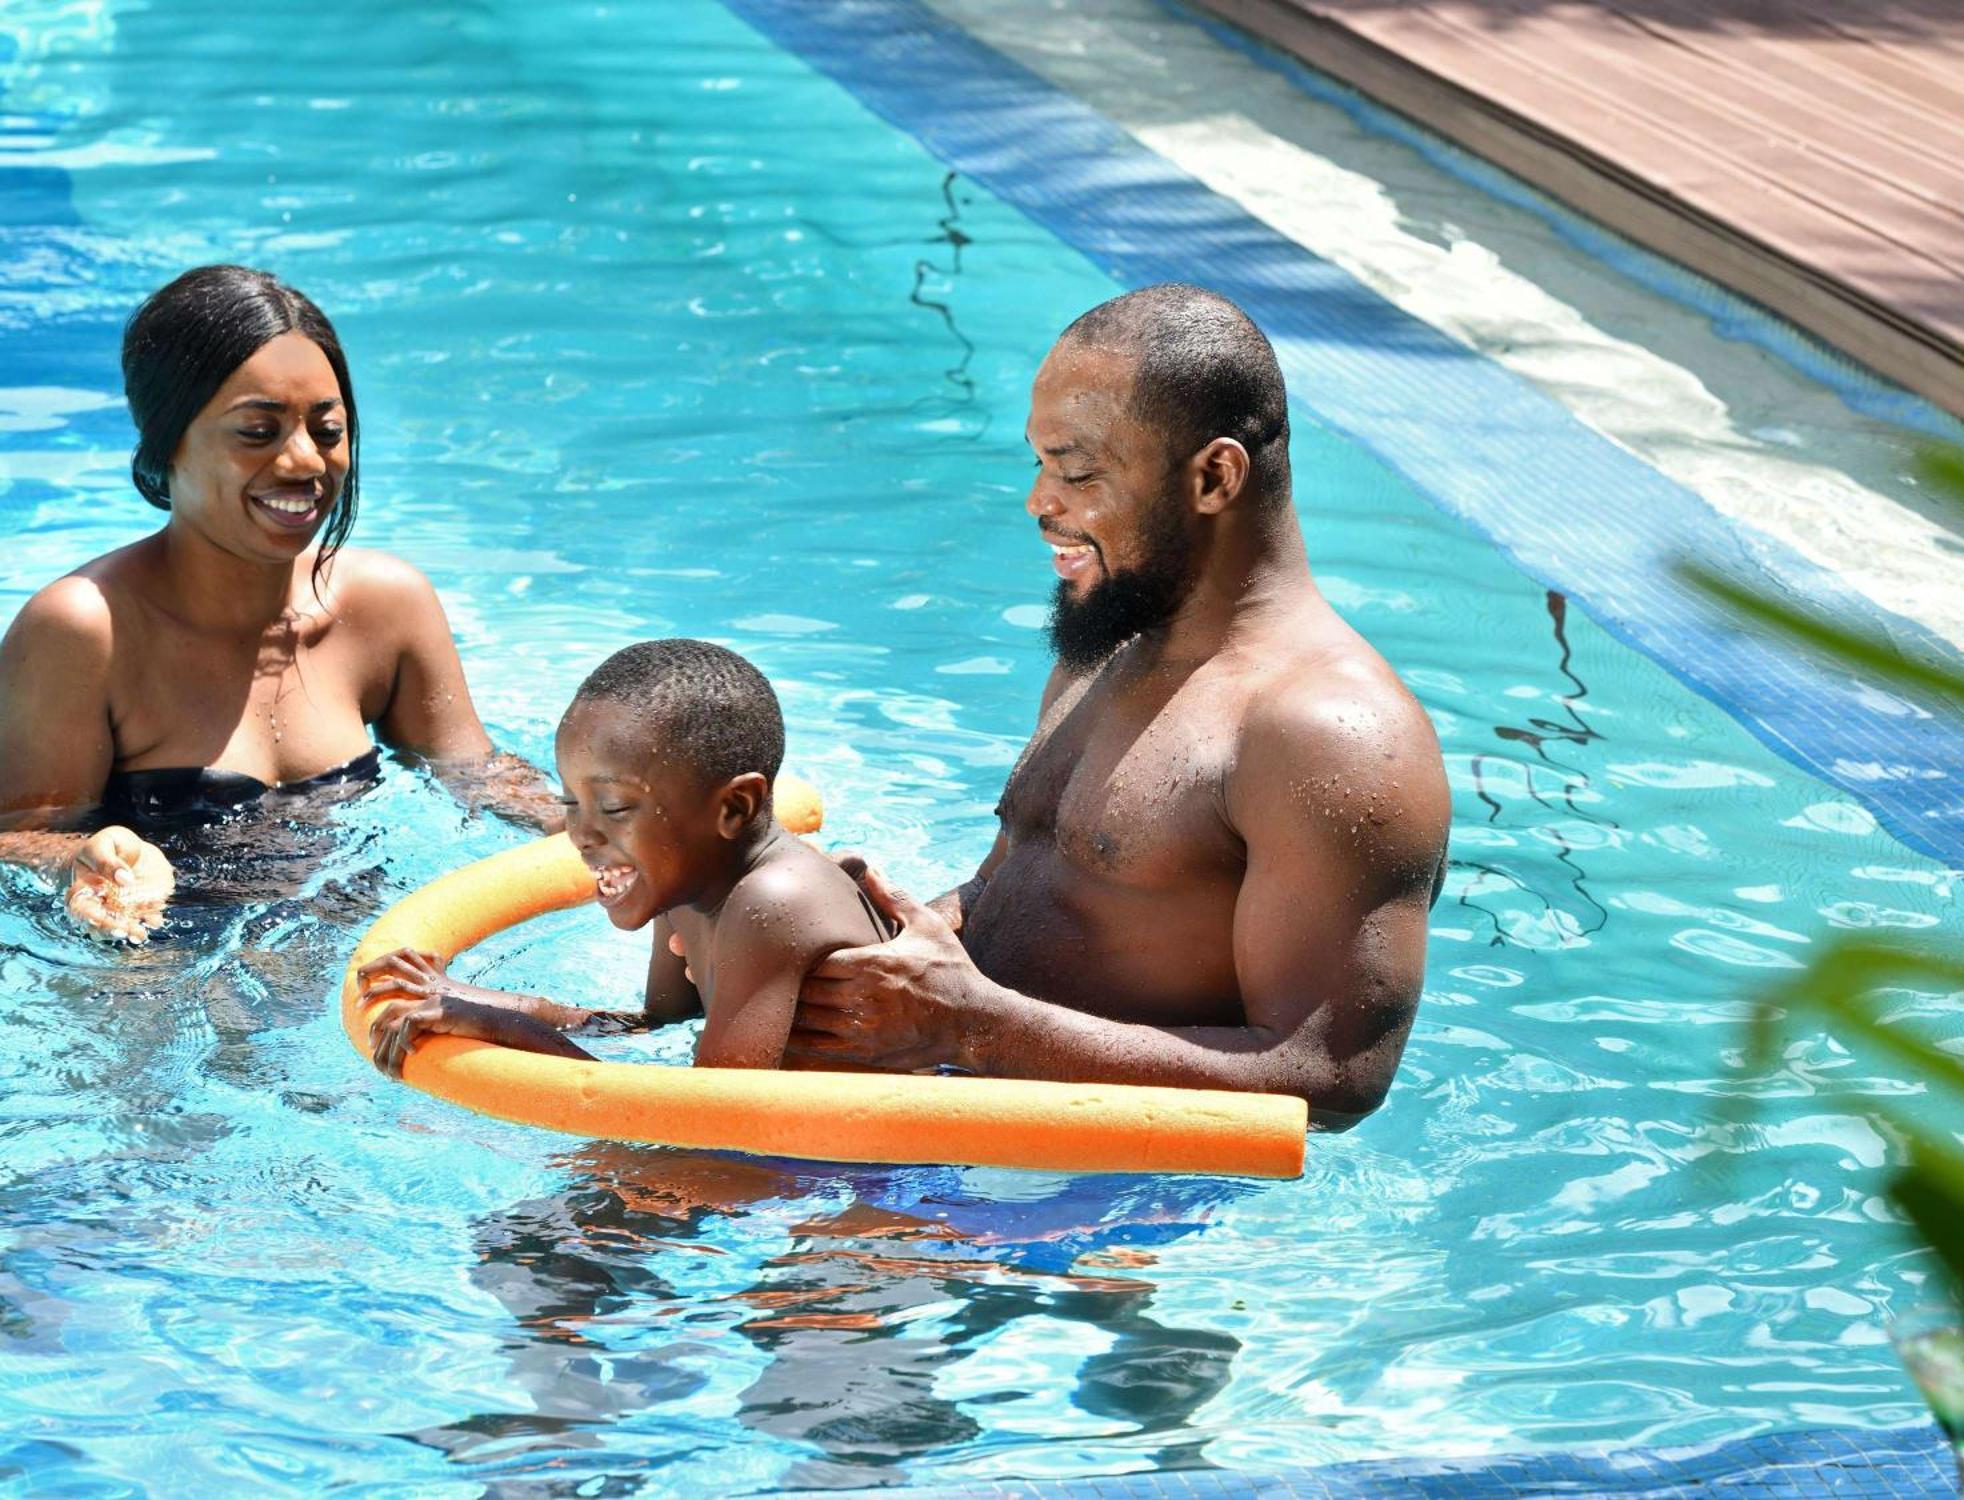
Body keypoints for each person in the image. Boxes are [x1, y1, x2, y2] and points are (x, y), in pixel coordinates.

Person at [789, 284, 1451, 1124]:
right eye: (1038, 464)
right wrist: (868, 936)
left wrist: (976, 1029)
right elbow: (1020, 886)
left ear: (1215, 476)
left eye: (1078, 471)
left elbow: (1331, 1077)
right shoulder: (1108, 638)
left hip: (1104, 1187)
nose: (1039, 501)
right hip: (959, 1101)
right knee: (597, 1214)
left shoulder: (1327, 733)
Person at [0, 265, 561, 941]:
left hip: (352, 953)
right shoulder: (88, 629)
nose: (305, 463)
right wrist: (76, 861)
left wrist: (617, 820)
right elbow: (15, 838)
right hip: (153, 978)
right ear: (167, 443)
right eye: (257, 432)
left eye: (327, 431)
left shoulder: (385, 606)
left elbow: (477, 777)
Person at [360, 639, 888, 1073]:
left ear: (733, 807)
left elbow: (715, 1125)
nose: (580, 833)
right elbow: (650, 1027)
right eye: (571, 801)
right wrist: (470, 1001)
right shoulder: (690, 881)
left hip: (868, 1179)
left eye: (613, 806)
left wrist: (513, 1033)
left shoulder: (772, 903)